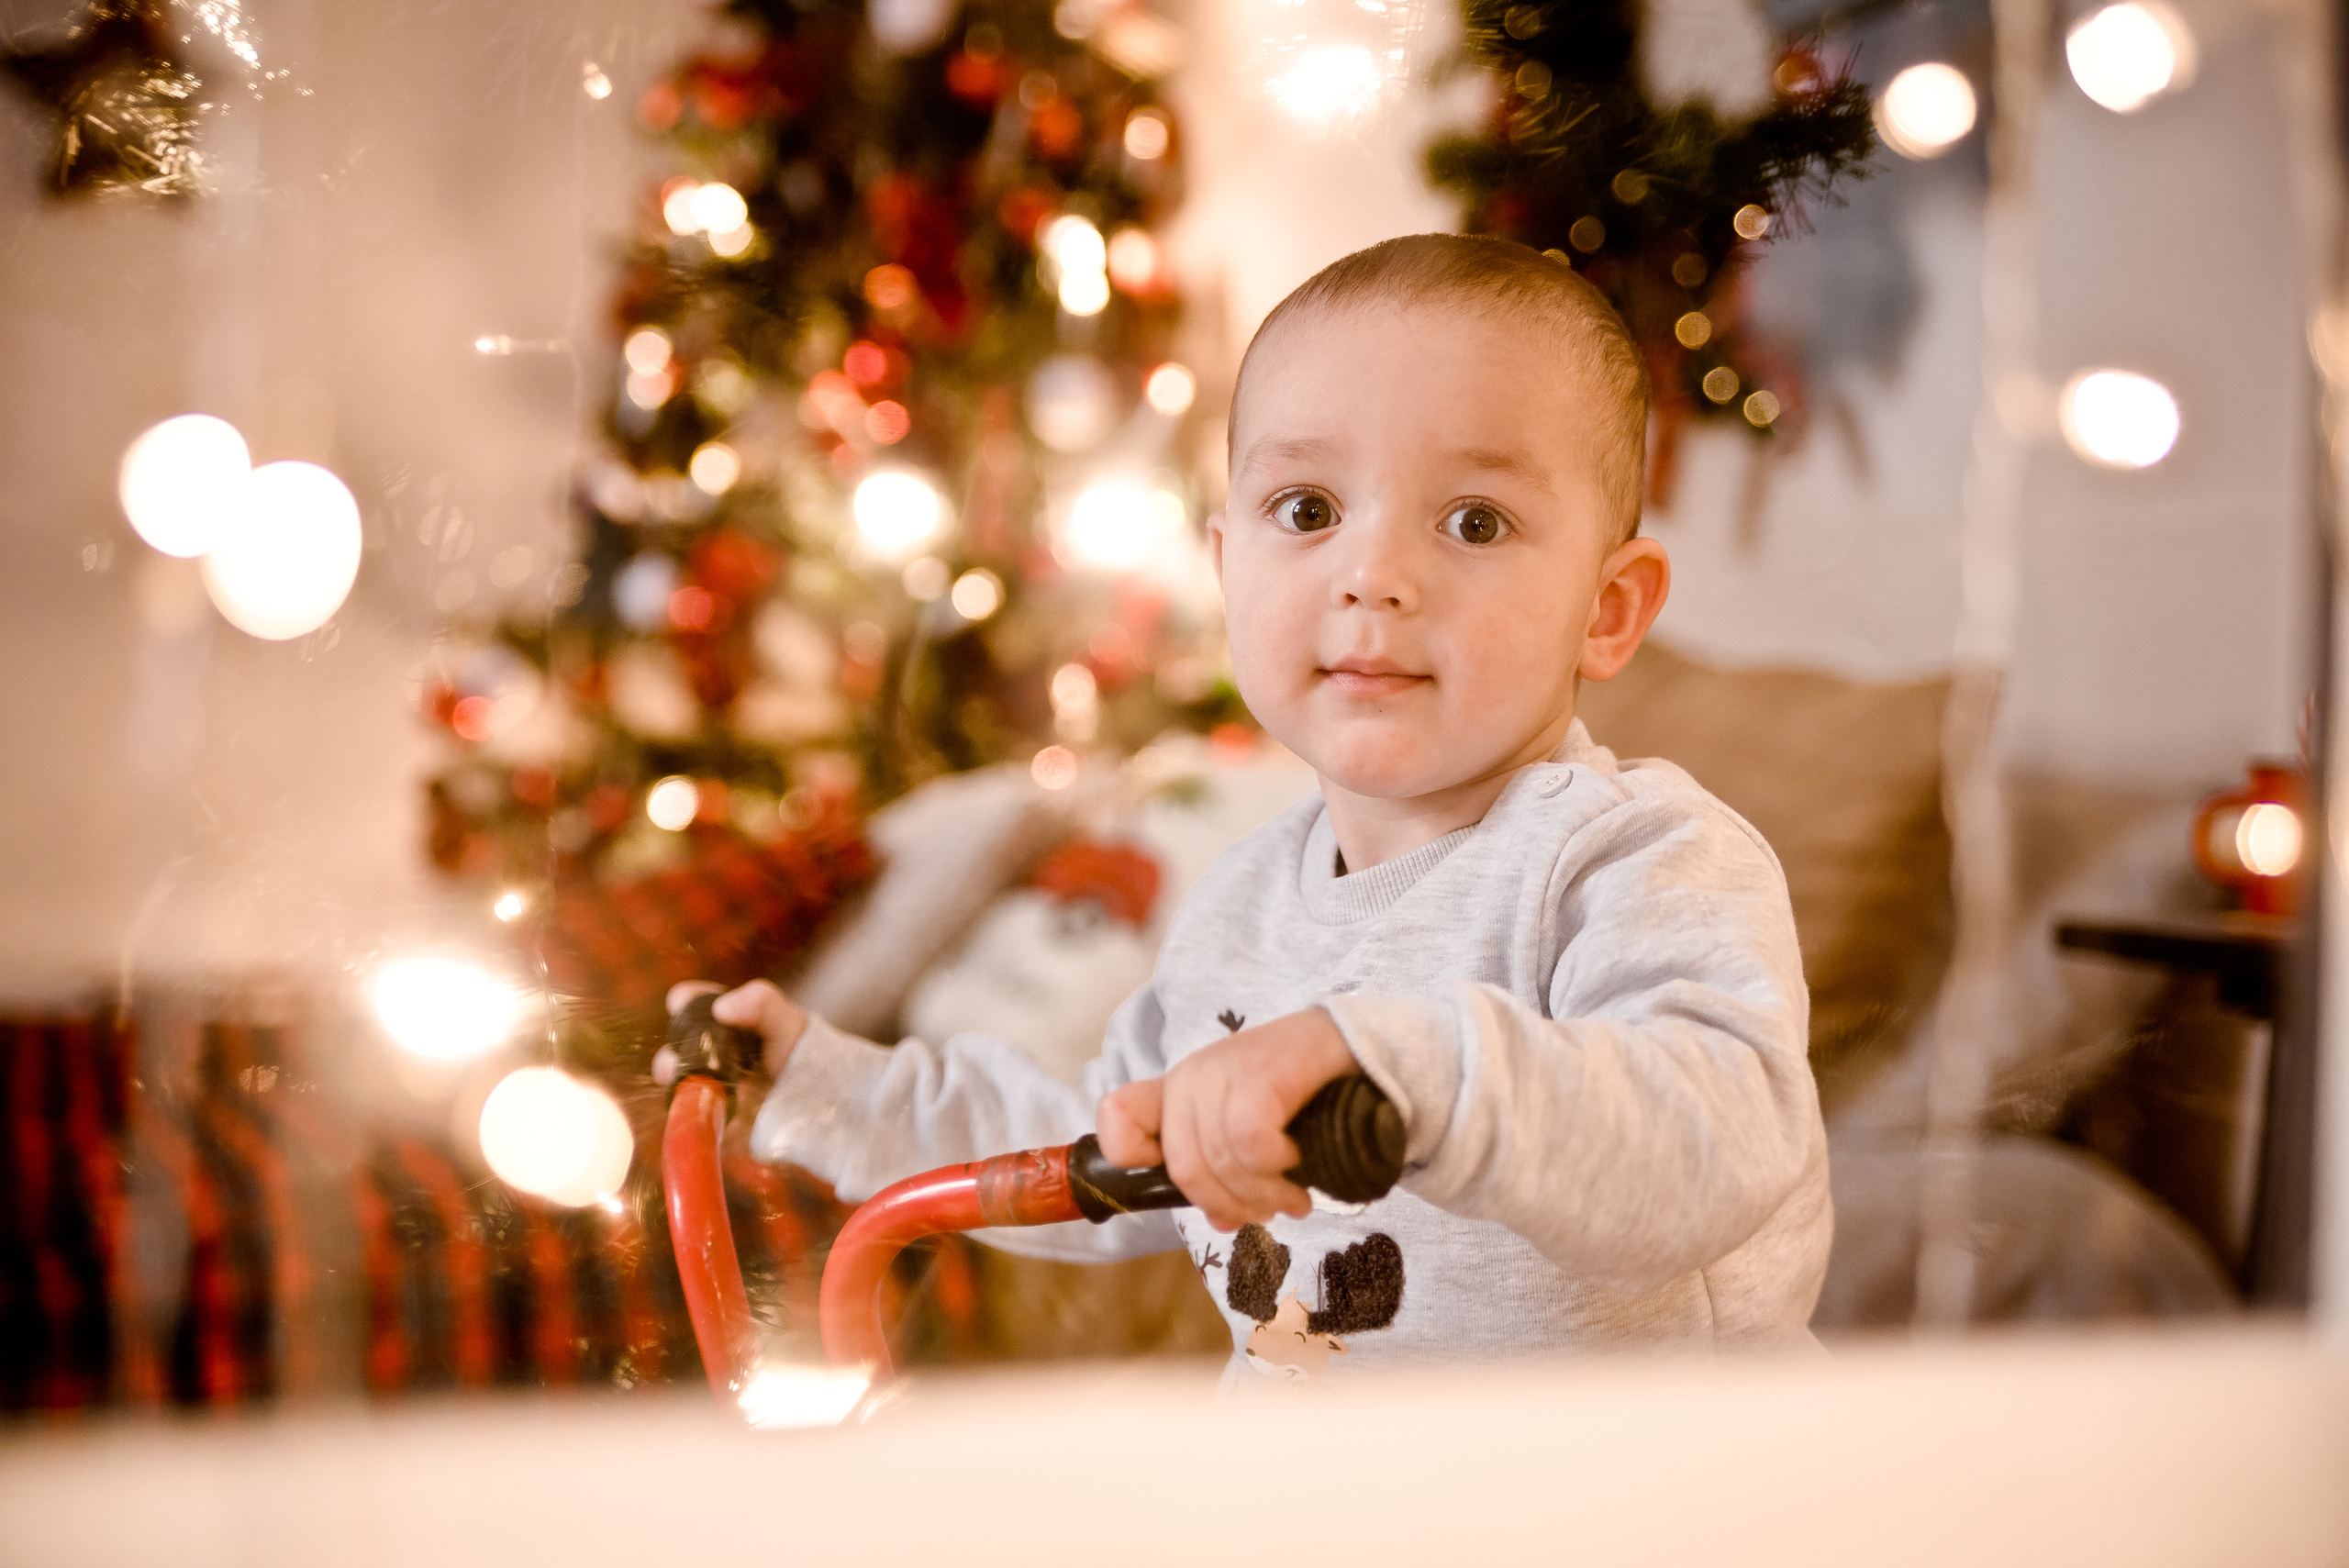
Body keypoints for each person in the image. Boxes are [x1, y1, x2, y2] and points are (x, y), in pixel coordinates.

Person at [700, 233, 1830, 1379]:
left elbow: (1720, 1136)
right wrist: (828, 1089)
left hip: (1646, 1502)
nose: (1371, 573)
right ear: (1227, 564)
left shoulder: (1632, 857)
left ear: (1607, 608)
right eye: (1306, 509)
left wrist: (1403, 1063)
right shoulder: (1241, 901)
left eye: (1473, 521)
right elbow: (1107, 1142)